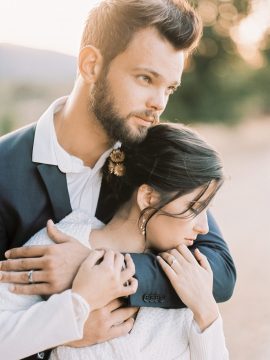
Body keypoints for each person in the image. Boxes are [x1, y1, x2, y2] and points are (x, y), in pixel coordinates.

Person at [0, 0, 236, 359]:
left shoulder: (150, 158)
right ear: (91, 64)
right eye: (146, 78)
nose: (158, 102)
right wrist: (66, 329)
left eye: (169, 88)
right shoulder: (4, 169)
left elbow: (219, 272)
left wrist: (98, 268)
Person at [0, 124, 229, 359]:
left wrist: (207, 311)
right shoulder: (58, 246)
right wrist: (76, 308)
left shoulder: (185, 274)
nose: (204, 228)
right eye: (194, 208)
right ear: (148, 197)